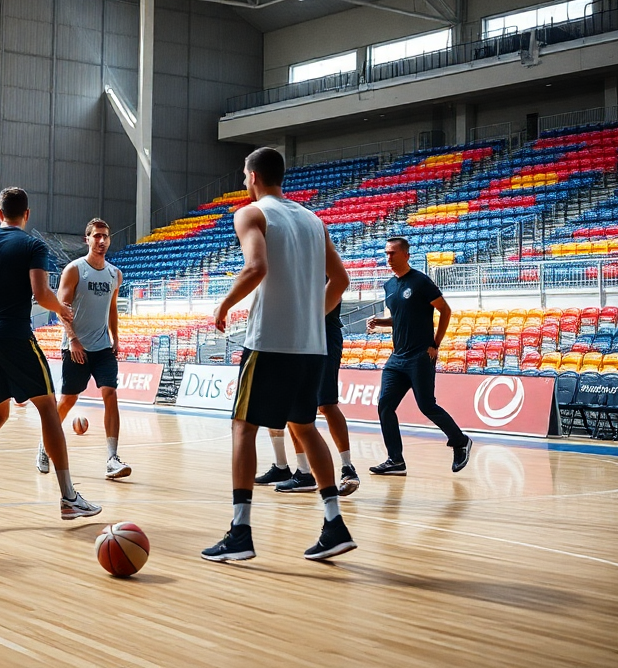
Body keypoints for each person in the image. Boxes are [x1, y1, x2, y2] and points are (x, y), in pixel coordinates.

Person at [201, 147, 355, 563]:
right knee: (304, 427)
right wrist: (309, 315)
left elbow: (256, 268)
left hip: (270, 342)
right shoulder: (312, 218)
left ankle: (240, 531)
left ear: (251, 176)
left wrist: (223, 305)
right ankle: (334, 523)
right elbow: (340, 280)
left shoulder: (251, 214)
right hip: (311, 344)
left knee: (242, 428)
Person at [0, 187, 101, 524]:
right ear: (26, 215)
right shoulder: (33, 245)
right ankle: (68, 497)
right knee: (48, 407)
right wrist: (60, 307)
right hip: (14, 334)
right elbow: (39, 292)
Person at [366, 237, 472, 475]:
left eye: (393, 253)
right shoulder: (389, 287)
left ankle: (460, 441)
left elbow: (445, 310)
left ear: (405, 255)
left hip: (419, 356)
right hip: (397, 359)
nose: (388, 258)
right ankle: (395, 460)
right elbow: (402, 318)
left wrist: (435, 344)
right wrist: (379, 322)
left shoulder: (421, 281)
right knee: (385, 405)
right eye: (386, 253)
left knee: (426, 406)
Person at [38, 217, 129, 480]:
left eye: (105, 236)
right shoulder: (75, 270)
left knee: (110, 393)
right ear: (87, 239)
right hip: (75, 348)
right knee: (68, 400)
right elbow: (60, 309)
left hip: (102, 348)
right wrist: (73, 340)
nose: (101, 241)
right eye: (96, 236)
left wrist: (116, 338)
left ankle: (112, 458)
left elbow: (112, 309)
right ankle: (44, 446)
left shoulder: (115, 274)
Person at [258, 303, 360, 495]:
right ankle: (303, 473)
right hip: (297, 338)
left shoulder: (322, 273)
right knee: (291, 407)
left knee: (327, 404)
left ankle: (347, 468)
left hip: (322, 335)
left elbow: (338, 285)